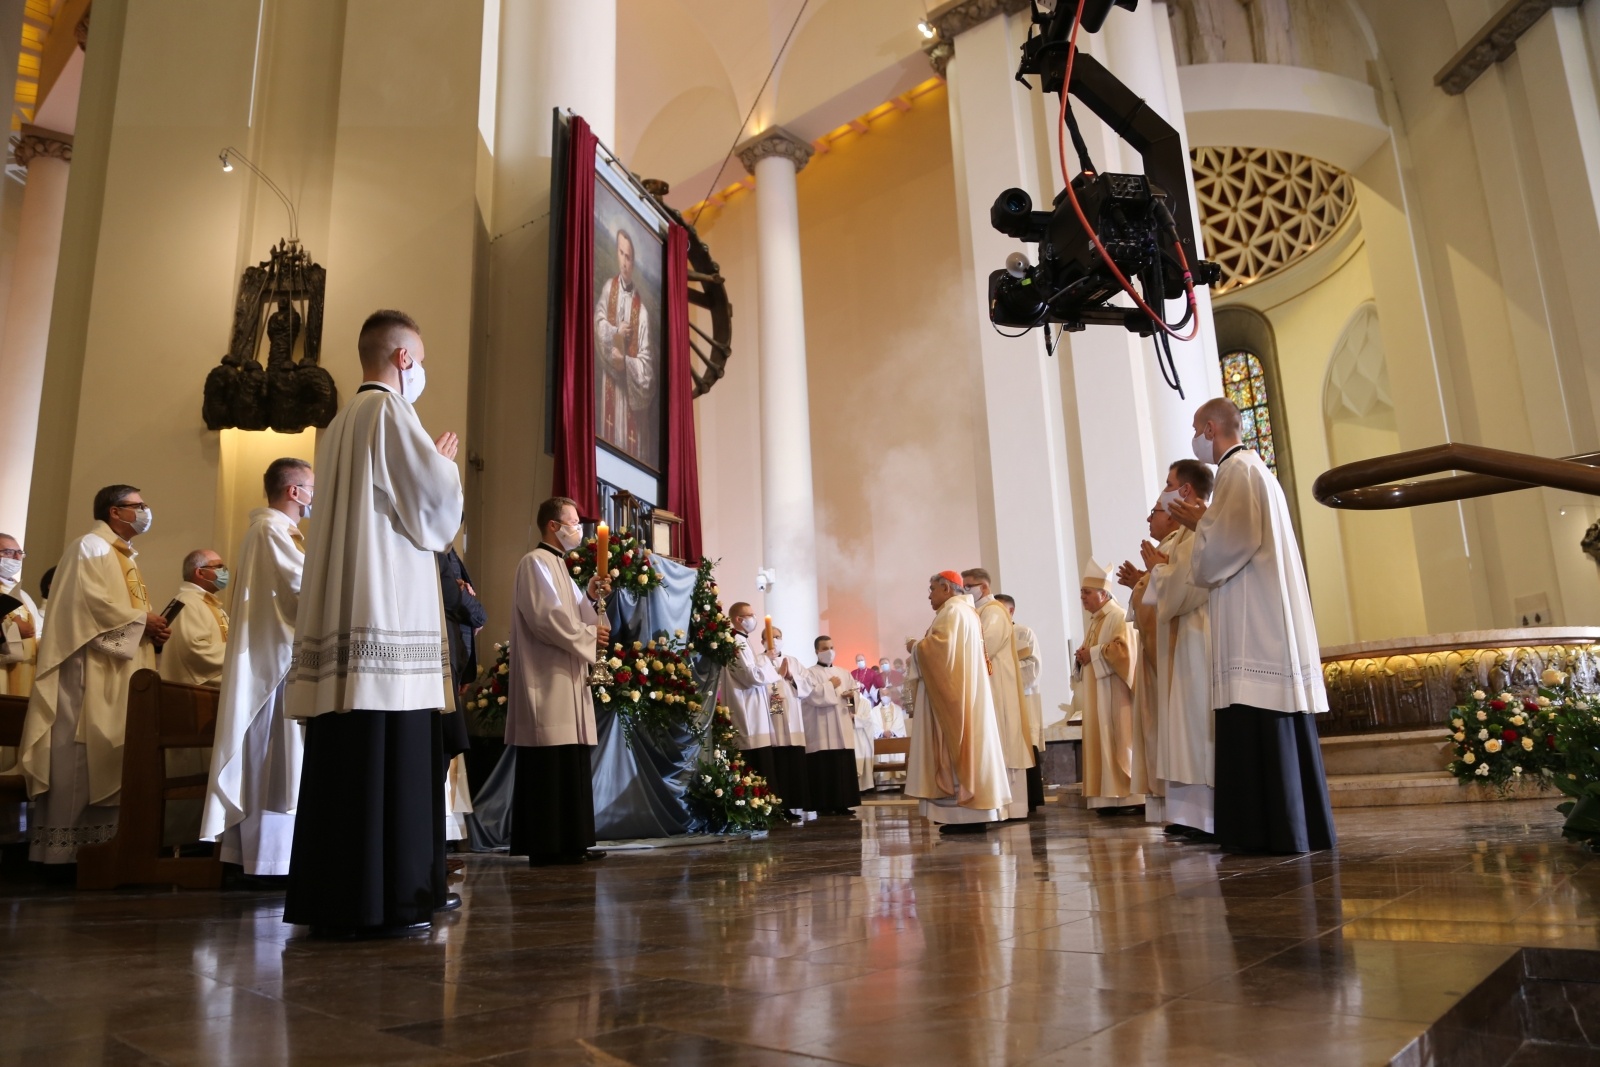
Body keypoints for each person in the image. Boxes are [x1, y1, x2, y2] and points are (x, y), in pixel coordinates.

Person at [283, 309, 463, 937]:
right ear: (403, 358)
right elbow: (432, 512)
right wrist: (443, 465)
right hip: (387, 620)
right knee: (391, 753)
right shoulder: (390, 412)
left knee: (346, 759)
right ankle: (392, 900)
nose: (422, 371)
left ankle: (339, 898)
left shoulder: (336, 426)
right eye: (422, 360)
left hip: (347, 617)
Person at [1171, 398, 1335, 854]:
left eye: (1196, 429)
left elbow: (1231, 543)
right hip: (1262, 614)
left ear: (1210, 428)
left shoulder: (1237, 470)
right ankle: (1287, 828)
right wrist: (1207, 522)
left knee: (1255, 715)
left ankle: (1264, 832)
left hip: (1254, 623)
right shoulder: (1253, 469)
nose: (1195, 438)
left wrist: (1200, 524)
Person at [18, 485, 168, 864]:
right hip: (88, 672)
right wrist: (142, 621)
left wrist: (150, 629)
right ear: (115, 512)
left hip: (119, 669)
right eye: (138, 505)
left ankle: (100, 854)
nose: (145, 512)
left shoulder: (124, 556)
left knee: (109, 756)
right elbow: (87, 606)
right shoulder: (90, 547)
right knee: (80, 757)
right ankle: (62, 855)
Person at [201, 458, 313, 879]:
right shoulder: (271, 530)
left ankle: (270, 857)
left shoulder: (280, 532)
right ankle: (268, 861)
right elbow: (302, 587)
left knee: (281, 760)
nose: (314, 496)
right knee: (275, 760)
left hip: (283, 657)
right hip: (276, 664)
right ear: (293, 491)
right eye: (311, 486)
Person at [506, 496, 610, 866]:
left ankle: (572, 842)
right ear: (554, 525)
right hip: (546, 677)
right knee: (550, 761)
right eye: (573, 521)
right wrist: (588, 636)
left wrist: (590, 597)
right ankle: (547, 845)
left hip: (567, 675)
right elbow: (546, 618)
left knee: (570, 758)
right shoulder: (534, 562)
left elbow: (574, 613)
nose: (578, 528)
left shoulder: (560, 567)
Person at [904, 571, 1010, 835]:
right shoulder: (966, 612)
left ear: (946, 588)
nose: (929, 595)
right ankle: (967, 815)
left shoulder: (953, 612)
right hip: (965, 694)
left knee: (955, 753)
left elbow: (940, 652)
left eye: (932, 589)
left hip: (954, 699)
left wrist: (915, 647)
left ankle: (963, 816)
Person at [1147, 459, 1218, 840]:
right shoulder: (1185, 535)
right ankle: (1191, 815)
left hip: (1198, 635)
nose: (1164, 491)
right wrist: (1158, 572)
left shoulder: (1196, 532)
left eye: (1169, 484)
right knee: (1185, 727)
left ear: (1186, 490)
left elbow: (1185, 588)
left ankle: (1206, 817)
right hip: (1185, 635)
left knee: (1196, 726)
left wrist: (1158, 572)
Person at [1116, 497, 1180, 826]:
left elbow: (1173, 594)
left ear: (1172, 516)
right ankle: (1172, 809)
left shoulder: (1178, 545)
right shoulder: (1166, 548)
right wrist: (1141, 580)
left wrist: (1144, 581)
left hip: (1170, 653)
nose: (1148, 519)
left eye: (1154, 512)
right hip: (1157, 653)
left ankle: (1181, 811)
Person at [962, 569, 1032, 821]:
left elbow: (984, 646)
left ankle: (1009, 807)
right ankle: (997, 807)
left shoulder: (993, 612)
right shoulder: (979, 611)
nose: (964, 591)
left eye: (967, 586)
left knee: (1003, 745)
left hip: (997, 689)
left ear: (983, 587)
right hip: (987, 687)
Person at [1075, 560, 1141, 816]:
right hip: (1098, 695)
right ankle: (1107, 799)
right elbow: (1093, 652)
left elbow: (1125, 652)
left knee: (1118, 741)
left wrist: (1092, 653)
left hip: (1116, 694)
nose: (1083, 597)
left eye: (1087, 592)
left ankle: (1127, 797)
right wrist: (1083, 656)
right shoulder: (1095, 621)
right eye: (1082, 592)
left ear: (1103, 594)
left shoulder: (1118, 616)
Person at [718, 601, 794, 816]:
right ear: (738, 619)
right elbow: (750, 676)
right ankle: (759, 809)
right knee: (754, 760)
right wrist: (769, 663)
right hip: (747, 711)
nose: (754, 618)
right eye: (750, 615)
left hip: (757, 710)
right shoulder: (735, 642)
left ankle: (768, 808)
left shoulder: (743, 641)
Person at [594, 227, 656, 465]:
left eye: (628, 257)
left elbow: (648, 371)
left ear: (634, 261)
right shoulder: (608, 289)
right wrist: (615, 332)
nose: (624, 262)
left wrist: (626, 363)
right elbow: (598, 324)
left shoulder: (643, 313)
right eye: (621, 253)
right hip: (610, 388)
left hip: (630, 400)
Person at [438, 542, 483, 844]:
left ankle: (440, 842)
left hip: (454, 659)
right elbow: (457, 600)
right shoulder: (437, 551)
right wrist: (477, 613)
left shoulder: (449, 552)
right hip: (441, 659)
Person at [795, 635, 862, 815]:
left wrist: (852, 697)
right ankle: (823, 805)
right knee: (823, 766)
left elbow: (854, 695)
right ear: (816, 651)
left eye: (831, 647)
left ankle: (843, 803)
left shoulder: (844, 672)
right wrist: (830, 685)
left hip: (841, 725)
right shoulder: (809, 673)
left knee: (842, 764)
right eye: (825, 648)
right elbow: (812, 696)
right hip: (821, 728)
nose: (829, 652)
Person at [996, 593, 1045, 812]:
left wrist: (1004, 672)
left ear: (1011, 611)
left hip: (1023, 700)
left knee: (1025, 744)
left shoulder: (1024, 633)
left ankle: (1029, 800)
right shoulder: (990, 635)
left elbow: (1033, 669)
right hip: (999, 701)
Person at [159, 550, 230, 686]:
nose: (225, 572)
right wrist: (238, 653)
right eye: (219, 567)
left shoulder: (213, 606)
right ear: (200, 572)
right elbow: (194, 650)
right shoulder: (187, 602)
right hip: (196, 691)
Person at [767, 626, 813, 820]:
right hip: (773, 716)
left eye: (778, 636)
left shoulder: (793, 661)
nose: (775, 640)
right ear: (763, 641)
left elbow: (808, 684)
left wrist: (791, 677)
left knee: (793, 761)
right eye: (770, 637)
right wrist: (776, 677)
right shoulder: (761, 661)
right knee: (777, 761)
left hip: (793, 716)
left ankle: (793, 805)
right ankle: (777, 808)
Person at [0, 533, 43, 698]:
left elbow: (37, 632)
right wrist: (12, 630)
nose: (17, 558)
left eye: (20, 553)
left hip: (26, 668)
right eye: (9, 552)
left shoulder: (22, 595)